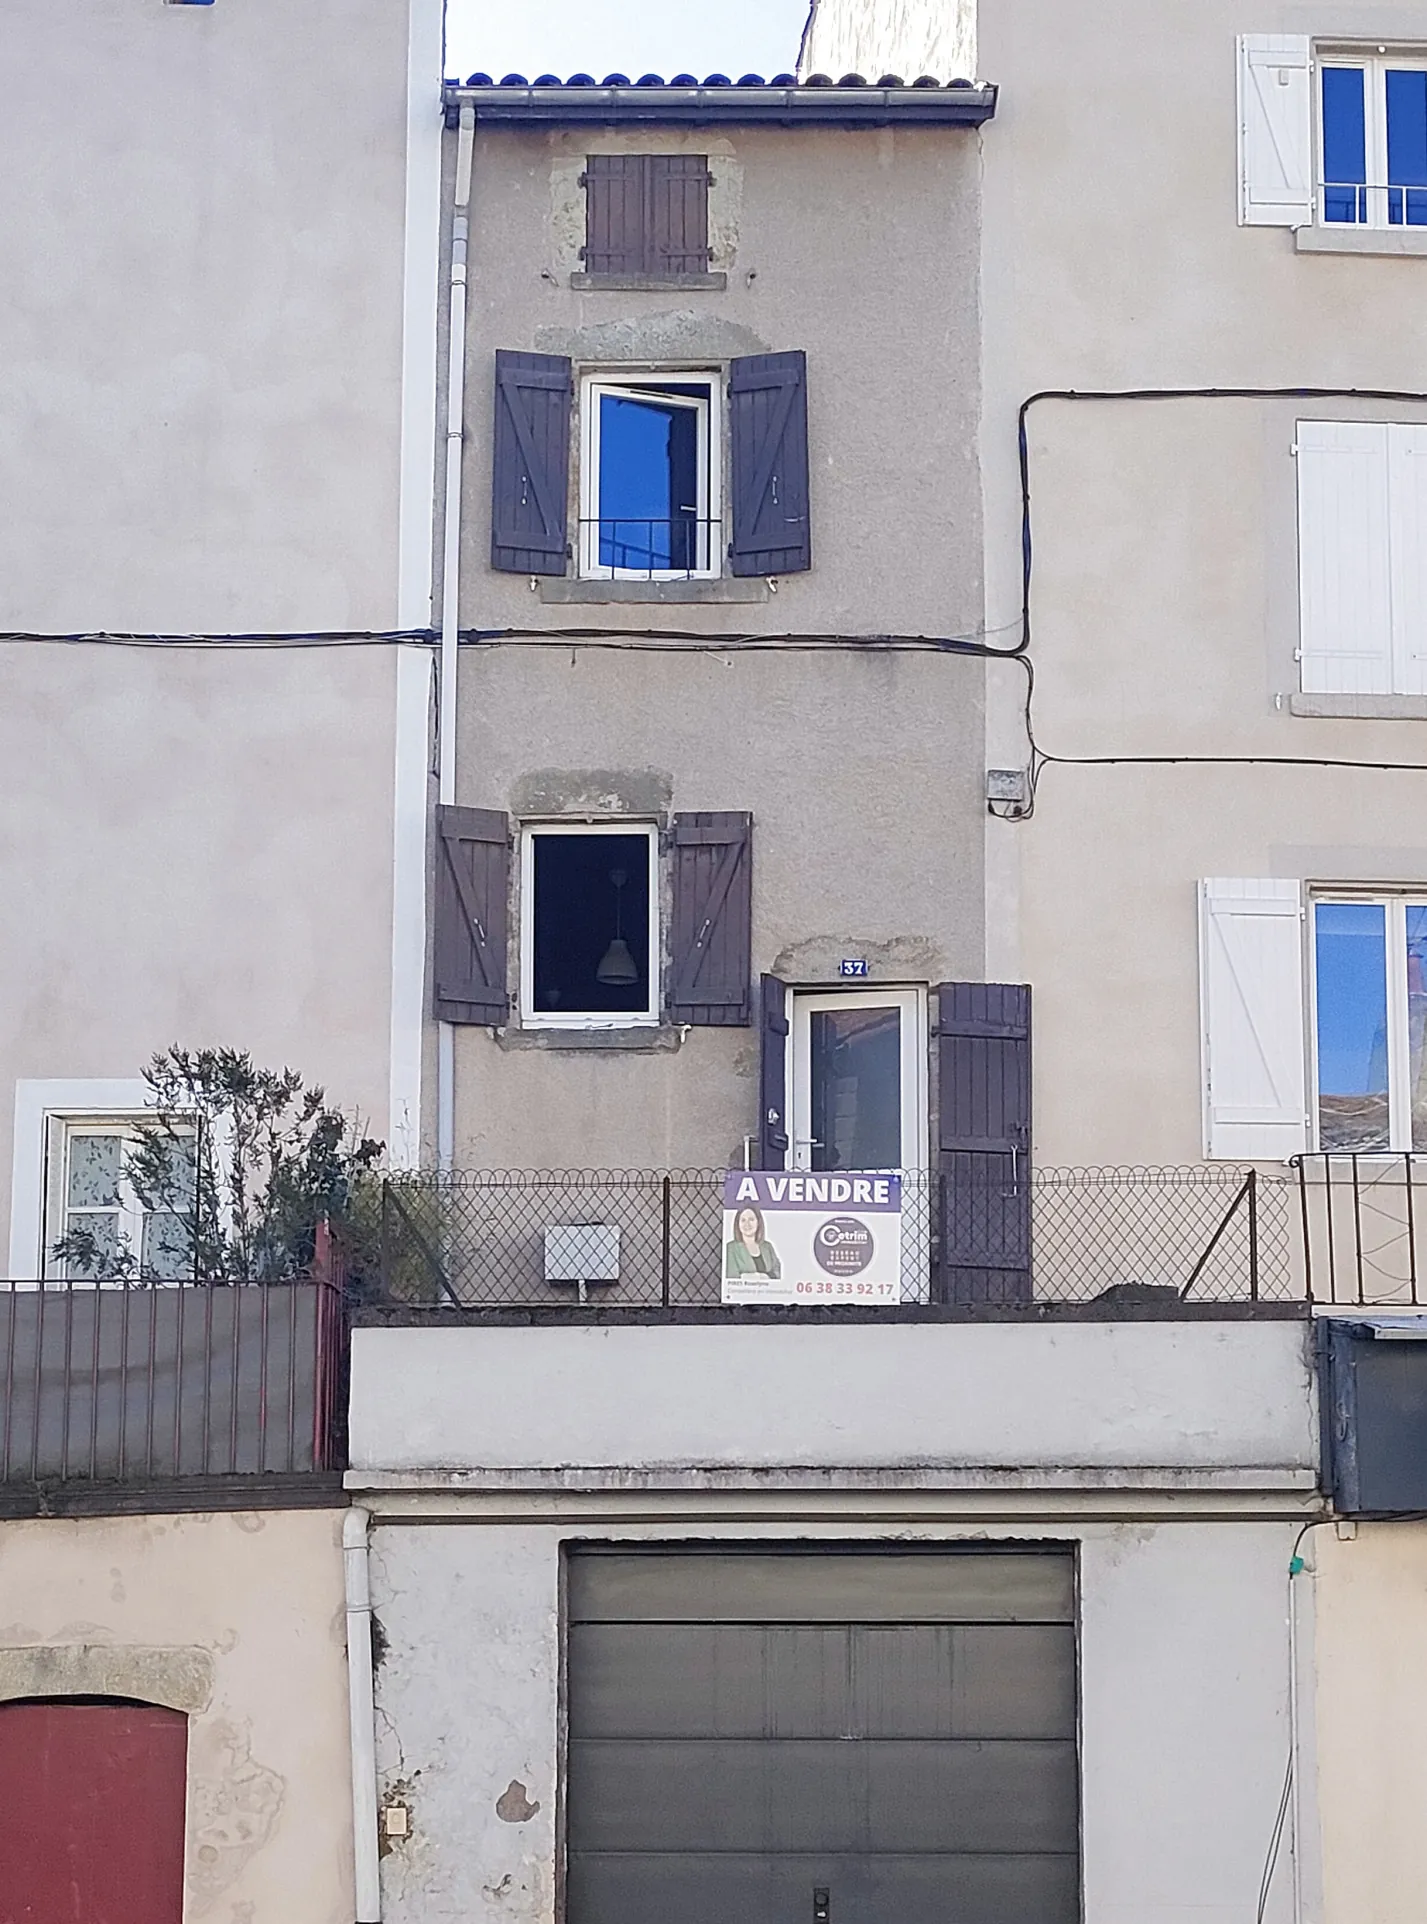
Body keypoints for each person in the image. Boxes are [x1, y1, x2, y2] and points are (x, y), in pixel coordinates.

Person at [725, 1203, 781, 1279]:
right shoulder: (730, 1248)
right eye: (743, 1220)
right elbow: (731, 1277)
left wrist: (766, 1277)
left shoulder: (768, 1246)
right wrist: (754, 1278)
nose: (747, 1224)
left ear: (758, 1222)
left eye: (751, 1219)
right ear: (737, 1224)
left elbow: (777, 1272)